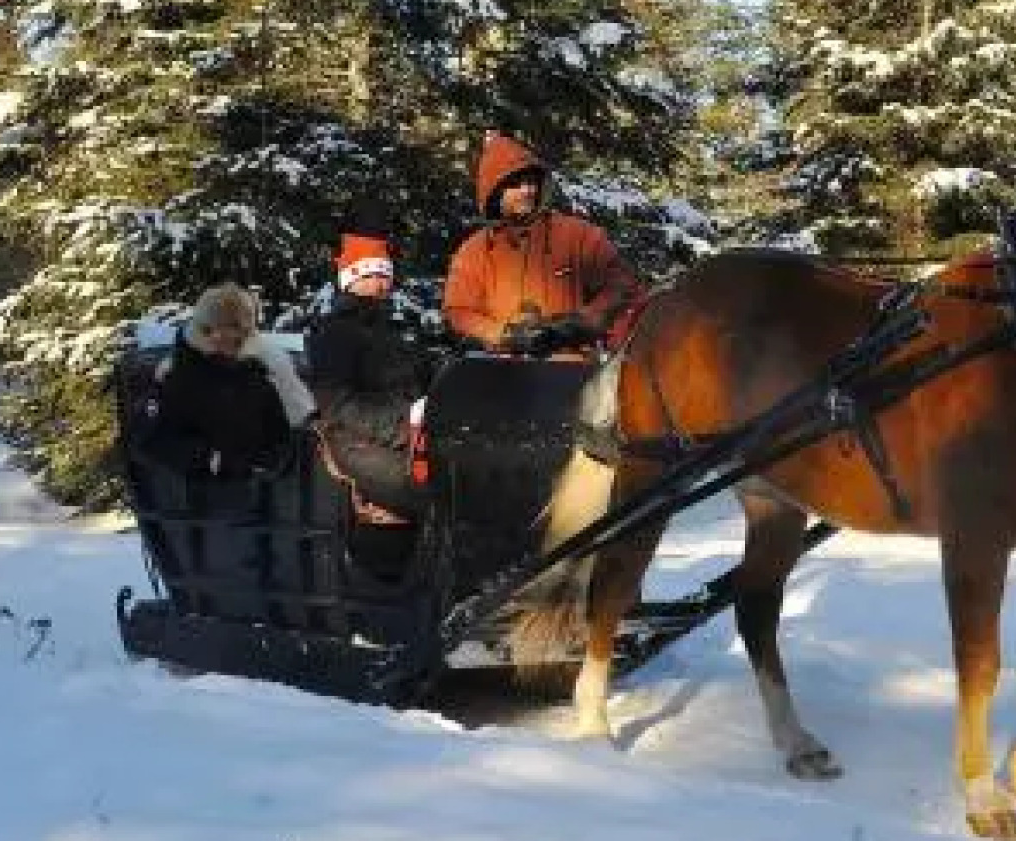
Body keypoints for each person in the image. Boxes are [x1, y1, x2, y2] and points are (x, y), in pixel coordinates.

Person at [304, 214, 438, 579]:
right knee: (439, 493)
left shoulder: (394, 331)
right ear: (351, 278)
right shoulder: (336, 333)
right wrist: (401, 425)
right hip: (356, 443)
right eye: (370, 274)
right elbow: (337, 404)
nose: (380, 282)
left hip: (402, 437)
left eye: (384, 274)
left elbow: (423, 379)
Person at [444, 131, 643, 359]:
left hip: (571, 371)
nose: (529, 190)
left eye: (532, 182)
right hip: (501, 374)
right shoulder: (476, 251)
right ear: (495, 190)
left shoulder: (578, 236)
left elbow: (622, 285)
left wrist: (580, 323)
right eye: (517, 184)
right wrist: (505, 335)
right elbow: (459, 310)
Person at [138, 282, 316, 480]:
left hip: (266, 492)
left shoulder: (262, 365)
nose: (233, 338)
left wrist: (270, 461)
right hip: (200, 495)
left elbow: (292, 425)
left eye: (239, 331)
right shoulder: (179, 374)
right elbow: (153, 439)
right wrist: (213, 459)